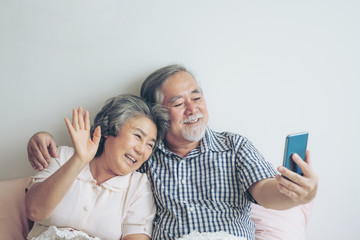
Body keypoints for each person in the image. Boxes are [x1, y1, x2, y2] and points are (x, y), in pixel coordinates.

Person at [27, 65, 318, 240]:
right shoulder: (147, 160)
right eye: (178, 103)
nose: (193, 109)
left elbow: (266, 191)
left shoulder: (234, 146)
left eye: (197, 97)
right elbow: (103, 153)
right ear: (159, 115)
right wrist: (41, 139)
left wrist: (296, 192)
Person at [25, 94, 170, 240]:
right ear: (109, 130)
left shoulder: (138, 186)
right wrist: (79, 160)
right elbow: (35, 211)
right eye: (138, 136)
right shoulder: (62, 156)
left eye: (150, 145)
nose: (141, 150)